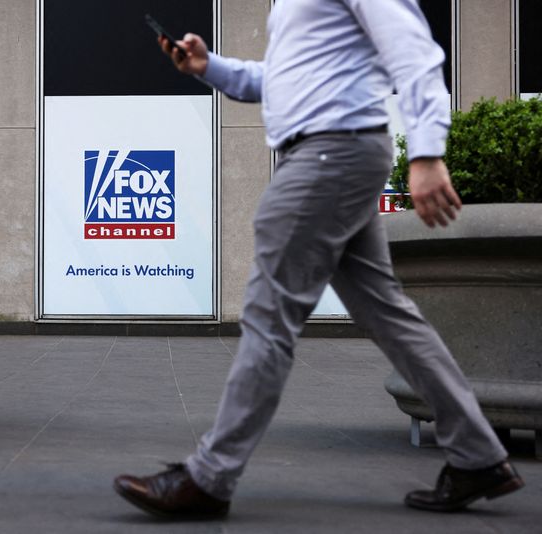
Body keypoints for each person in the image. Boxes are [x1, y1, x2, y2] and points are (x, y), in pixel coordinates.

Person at [113, 0, 524, 518]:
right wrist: (208, 66)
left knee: (269, 315)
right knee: (389, 314)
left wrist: (426, 151)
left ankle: (209, 476)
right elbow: (286, 80)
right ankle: (477, 455)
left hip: (328, 156)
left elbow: (415, 53)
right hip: (336, 153)